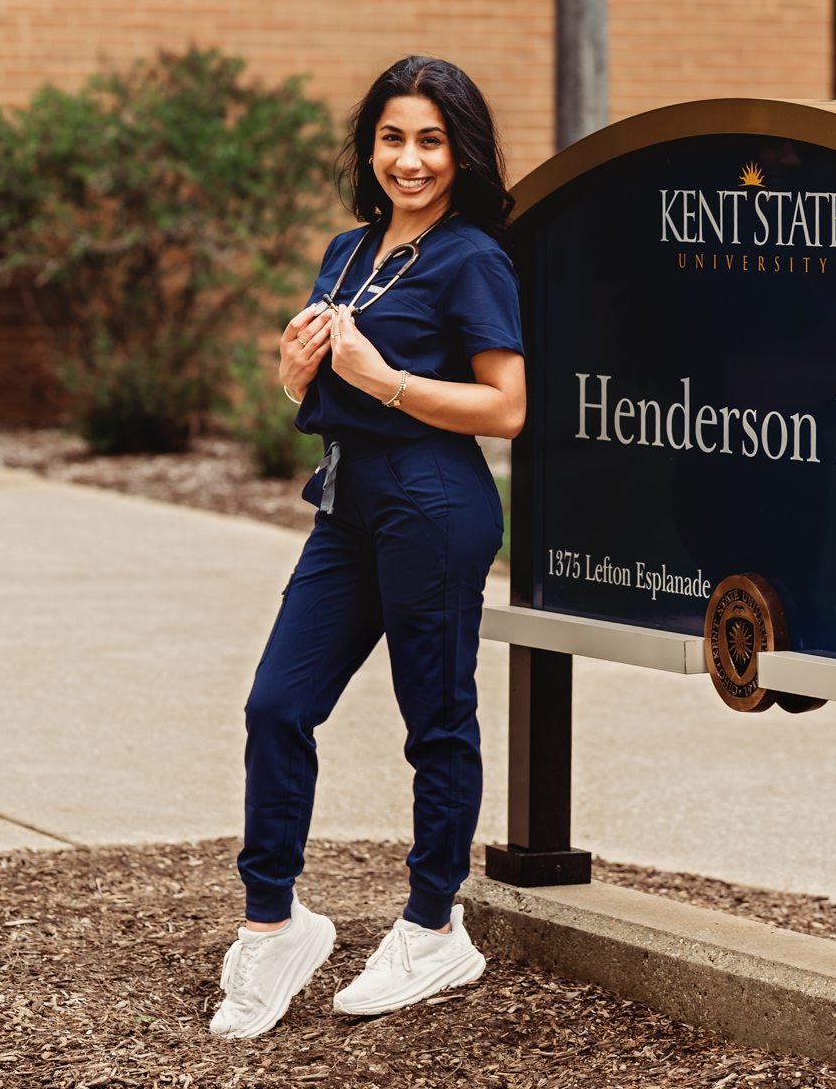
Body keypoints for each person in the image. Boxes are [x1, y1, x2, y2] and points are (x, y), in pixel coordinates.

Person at [209, 55, 525, 1040]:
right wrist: (291, 371)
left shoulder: (473, 256)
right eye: (393, 136)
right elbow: (319, 389)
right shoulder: (347, 251)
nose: (410, 157)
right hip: (347, 505)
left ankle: (434, 925)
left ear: (460, 150)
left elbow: (505, 406)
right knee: (276, 704)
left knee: (434, 721)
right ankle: (275, 921)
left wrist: (382, 377)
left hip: (432, 506)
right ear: (369, 146)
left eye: (430, 138)